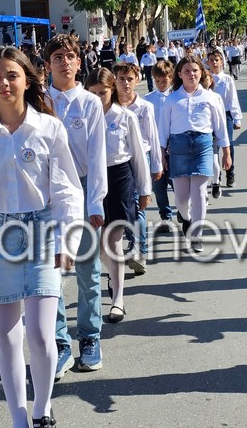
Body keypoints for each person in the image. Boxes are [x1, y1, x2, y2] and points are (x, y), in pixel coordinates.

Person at [0, 46, 83, 428]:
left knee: (40, 336)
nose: (4, 83)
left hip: (42, 231)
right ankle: (19, 420)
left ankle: (42, 407)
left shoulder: (49, 128)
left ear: (27, 80)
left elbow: (67, 191)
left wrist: (67, 241)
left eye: (12, 75)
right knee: (7, 337)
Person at [43, 34, 107, 380]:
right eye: (57, 57)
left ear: (79, 62)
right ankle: (59, 343)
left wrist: (95, 201)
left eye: (70, 56)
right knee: (48, 272)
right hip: (46, 192)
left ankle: (90, 337)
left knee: (87, 271)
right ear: (48, 64)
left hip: (81, 190)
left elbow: (97, 156)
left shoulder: (89, 103)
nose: (64, 62)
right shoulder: (38, 100)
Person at [85, 67, 151, 323]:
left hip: (119, 177)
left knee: (113, 239)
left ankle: (118, 300)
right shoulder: (82, 119)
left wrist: (144, 189)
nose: (98, 98)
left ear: (111, 90)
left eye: (102, 92)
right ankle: (114, 274)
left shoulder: (125, 116)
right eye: (93, 93)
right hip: (92, 178)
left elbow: (138, 156)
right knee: (99, 245)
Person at [158, 56, 231, 253]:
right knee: (181, 198)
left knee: (199, 192)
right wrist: (161, 155)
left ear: (201, 73)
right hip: (178, 148)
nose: (191, 74)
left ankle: (197, 235)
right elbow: (163, 130)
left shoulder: (211, 97)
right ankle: (187, 218)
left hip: (203, 146)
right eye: (187, 71)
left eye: (195, 70)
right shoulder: (172, 99)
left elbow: (220, 127)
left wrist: (226, 152)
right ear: (180, 74)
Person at [112, 62, 162, 276]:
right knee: (125, 206)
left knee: (138, 205)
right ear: (114, 80)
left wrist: (157, 164)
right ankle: (134, 243)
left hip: (142, 158)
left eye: (129, 79)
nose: (125, 83)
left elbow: (153, 136)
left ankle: (139, 251)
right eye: (121, 79)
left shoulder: (145, 107)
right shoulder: (110, 107)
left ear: (137, 80)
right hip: (120, 161)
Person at [145, 60, 175, 224]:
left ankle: (184, 210)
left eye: (164, 80)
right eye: (157, 81)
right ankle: (165, 215)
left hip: (174, 146)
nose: (161, 84)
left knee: (177, 182)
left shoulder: (176, 96)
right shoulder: (148, 99)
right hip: (155, 147)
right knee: (158, 185)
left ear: (171, 78)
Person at [208, 50, 242, 190]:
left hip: (225, 114)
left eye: (217, 60)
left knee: (228, 143)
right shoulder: (205, 79)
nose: (214, 63)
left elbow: (232, 99)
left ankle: (230, 172)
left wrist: (236, 118)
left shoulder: (227, 79)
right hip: (209, 116)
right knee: (212, 146)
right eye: (211, 60)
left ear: (222, 62)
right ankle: (217, 174)